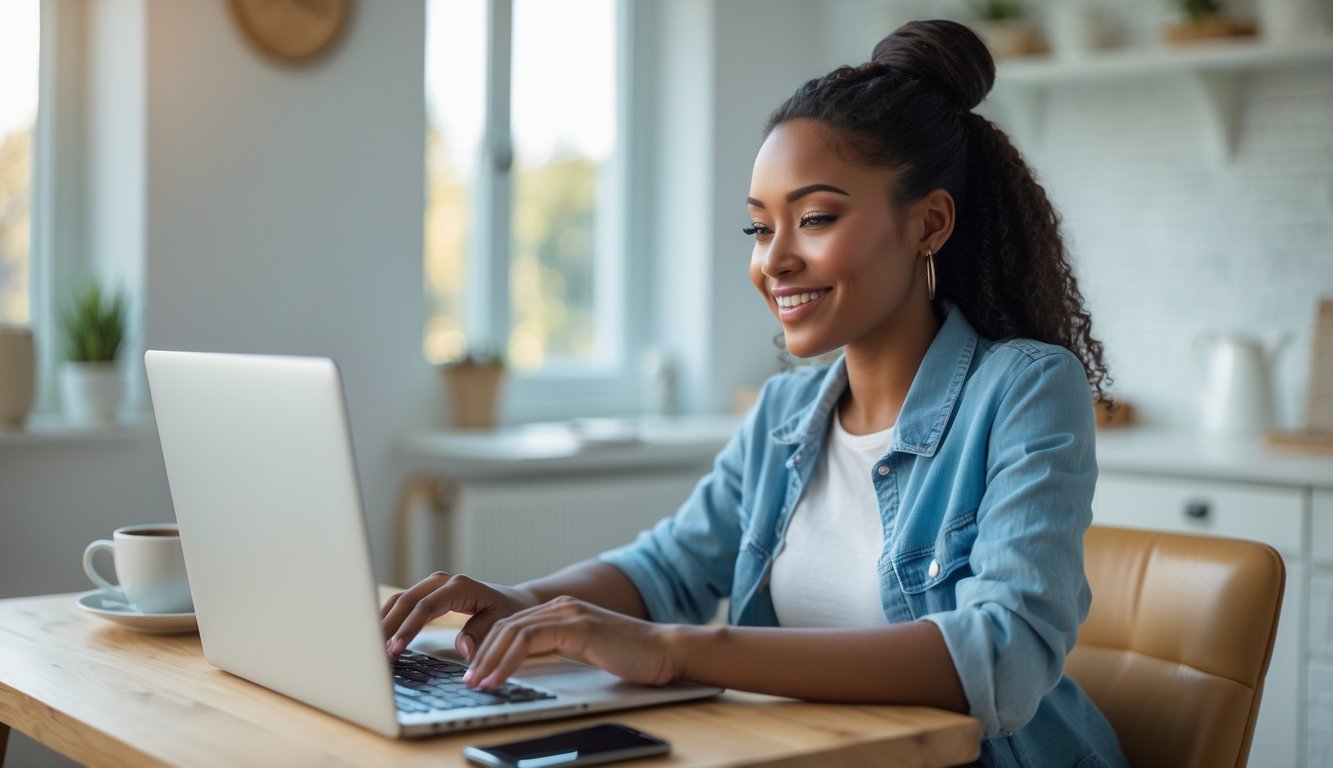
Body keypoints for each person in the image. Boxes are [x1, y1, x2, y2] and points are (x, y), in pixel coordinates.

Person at [382, 19, 1127, 767]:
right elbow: (668, 569)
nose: (773, 261)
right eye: (757, 228)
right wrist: (524, 601)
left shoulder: (1025, 388)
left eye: (814, 219)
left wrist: (675, 651)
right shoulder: (784, 413)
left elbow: (1004, 657)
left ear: (928, 223)